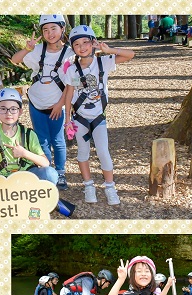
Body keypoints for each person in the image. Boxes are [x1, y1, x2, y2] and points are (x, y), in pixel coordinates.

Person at [63, 25, 134, 205]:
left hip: (98, 117)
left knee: (103, 151)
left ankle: (110, 186)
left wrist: (109, 50)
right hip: (80, 118)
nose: (82, 46)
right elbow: (69, 94)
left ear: (93, 43)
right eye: (77, 44)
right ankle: (88, 185)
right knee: (83, 152)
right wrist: (67, 120)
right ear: (73, 48)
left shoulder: (103, 62)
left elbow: (130, 55)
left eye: (86, 42)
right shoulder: (72, 70)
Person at [11, 15, 74, 190]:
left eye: (54, 28)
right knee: (42, 139)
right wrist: (27, 49)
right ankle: (47, 172)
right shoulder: (38, 50)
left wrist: (60, 104)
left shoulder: (70, 54)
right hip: (36, 102)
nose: (50, 33)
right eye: (45, 30)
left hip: (56, 105)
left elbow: (70, 84)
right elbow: (15, 60)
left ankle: (60, 173)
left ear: (62, 29)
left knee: (58, 140)